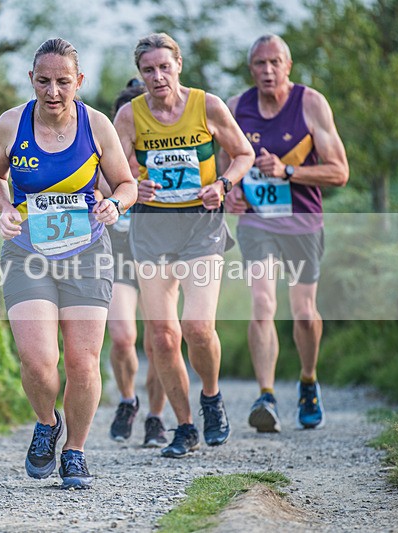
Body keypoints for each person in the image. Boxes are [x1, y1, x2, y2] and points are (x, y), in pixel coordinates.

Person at [0, 38, 136, 489]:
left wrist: (117, 206)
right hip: (28, 253)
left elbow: (125, 183)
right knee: (37, 360)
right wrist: (5, 208)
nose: (53, 91)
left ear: (79, 81)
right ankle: (47, 423)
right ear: (31, 79)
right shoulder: (11, 124)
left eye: (63, 81)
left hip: (87, 253)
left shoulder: (98, 125)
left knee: (83, 363)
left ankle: (75, 452)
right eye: (44, 81)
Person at [114, 33, 254, 458]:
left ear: (178, 65)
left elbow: (243, 153)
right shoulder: (128, 116)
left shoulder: (207, 105)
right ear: (140, 75)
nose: (157, 77)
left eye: (164, 67)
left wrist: (223, 184)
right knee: (162, 336)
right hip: (152, 228)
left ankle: (210, 397)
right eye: (148, 70)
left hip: (201, 226)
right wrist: (134, 187)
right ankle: (185, 425)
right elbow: (112, 175)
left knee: (196, 327)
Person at [221, 34, 349, 432]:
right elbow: (225, 167)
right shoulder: (236, 108)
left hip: (303, 221)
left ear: (288, 65)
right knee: (262, 302)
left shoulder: (310, 103)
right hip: (258, 223)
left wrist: (289, 171)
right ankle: (266, 395)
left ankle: (308, 381)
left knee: (304, 312)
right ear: (251, 69)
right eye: (260, 63)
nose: (268, 70)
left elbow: (340, 172)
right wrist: (232, 194)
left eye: (275, 62)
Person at [99, 79, 168, 448]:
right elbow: (90, 189)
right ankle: (128, 400)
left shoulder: (165, 150)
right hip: (121, 250)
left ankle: (156, 418)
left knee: (160, 340)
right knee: (124, 336)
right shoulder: (105, 153)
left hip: (159, 251)